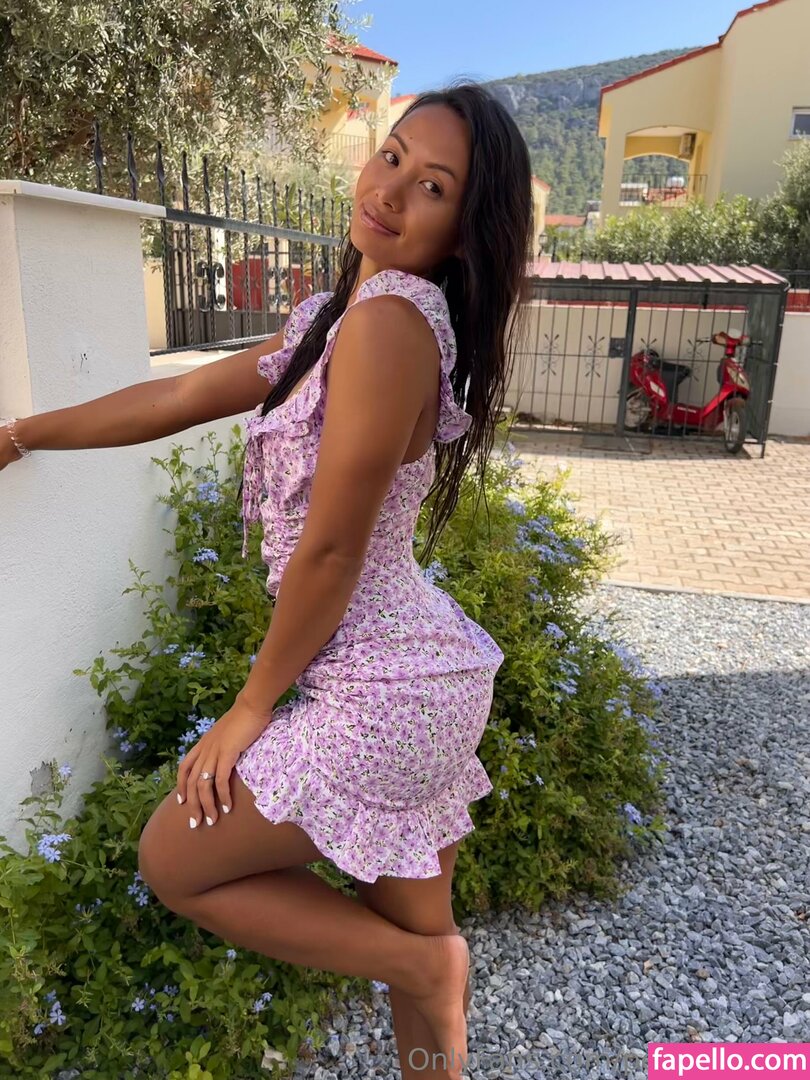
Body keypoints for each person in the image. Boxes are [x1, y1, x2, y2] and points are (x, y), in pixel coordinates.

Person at [1, 81, 533, 1079]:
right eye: (391, 156)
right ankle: (427, 983)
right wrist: (23, 432)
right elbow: (178, 396)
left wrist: (250, 709)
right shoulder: (340, 321)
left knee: (176, 858)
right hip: (419, 677)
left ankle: (428, 968)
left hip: (382, 692)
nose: (390, 190)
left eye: (433, 186)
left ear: (465, 232)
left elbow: (331, 552)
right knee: (412, 949)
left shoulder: (387, 324)